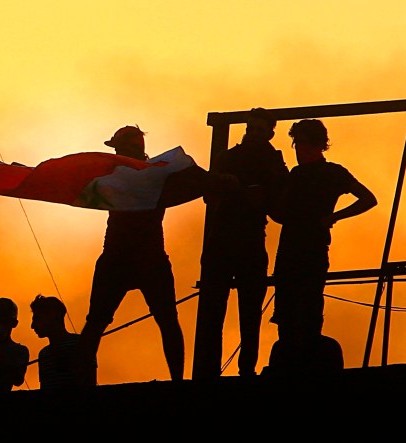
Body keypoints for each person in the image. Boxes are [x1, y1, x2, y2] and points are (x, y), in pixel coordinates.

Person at [74, 125, 186, 384]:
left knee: (97, 323)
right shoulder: (154, 174)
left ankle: (80, 383)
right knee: (165, 320)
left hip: (128, 256)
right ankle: (177, 381)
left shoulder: (125, 174)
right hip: (137, 256)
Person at [266, 118, 377, 374]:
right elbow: (282, 215)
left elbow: (368, 199)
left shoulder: (333, 173)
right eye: (296, 143)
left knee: (309, 307)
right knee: (286, 309)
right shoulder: (294, 175)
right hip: (289, 249)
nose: (297, 149)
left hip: (312, 249)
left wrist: (334, 217)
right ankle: (292, 364)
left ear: (318, 145)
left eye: (302, 143)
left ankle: (306, 363)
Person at [194, 107, 289, 379]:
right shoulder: (230, 158)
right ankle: (211, 371)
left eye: (260, 130)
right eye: (252, 128)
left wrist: (263, 196)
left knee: (248, 314)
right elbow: (208, 196)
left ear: (270, 133)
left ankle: (244, 370)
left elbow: (280, 209)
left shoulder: (272, 163)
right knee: (216, 311)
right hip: (224, 241)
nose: (254, 134)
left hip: (247, 242)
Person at [30, 294, 95, 389]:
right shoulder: (43, 354)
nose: (33, 325)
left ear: (53, 315)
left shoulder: (82, 343)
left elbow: (90, 382)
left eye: (37, 319)